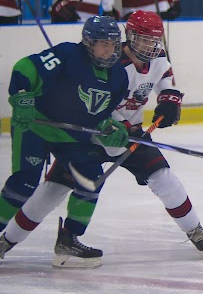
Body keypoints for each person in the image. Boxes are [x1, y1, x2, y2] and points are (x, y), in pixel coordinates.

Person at [44, 10, 203, 259]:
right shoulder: (109, 60)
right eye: (144, 39)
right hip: (96, 133)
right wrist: (122, 125)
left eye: (154, 40)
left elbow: (167, 83)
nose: (150, 46)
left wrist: (169, 102)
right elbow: (98, 104)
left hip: (131, 136)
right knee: (53, 189)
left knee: (164, 178)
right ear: (130, 36)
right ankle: (9, 238)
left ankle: (194, 229)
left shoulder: (158, 58)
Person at [0, 16, 129, 268]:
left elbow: (101, 115)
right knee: (24, 184)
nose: (109, 50)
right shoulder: (67, 53)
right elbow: (24, 67)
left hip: (70, 135)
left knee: (92, 180)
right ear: (88, 43)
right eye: (102, 44)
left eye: (113, 44)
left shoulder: (119, 77)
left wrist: (109, 127)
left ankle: (69, 238)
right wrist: (23, 96)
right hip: (36, 125)